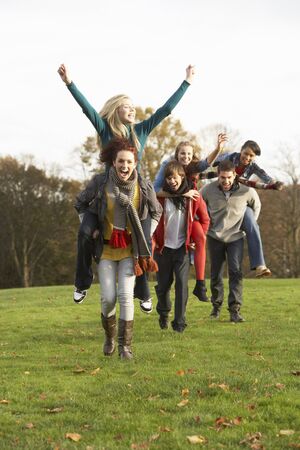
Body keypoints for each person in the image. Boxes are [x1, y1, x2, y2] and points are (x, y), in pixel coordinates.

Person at [58, 63, 195, 311]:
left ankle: (143, 293)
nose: (132, 109)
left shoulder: (141, 129)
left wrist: (186, 82)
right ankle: (81, 283)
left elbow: (165, 110)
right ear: (115, 109)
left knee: (142, 240)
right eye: (127, 106)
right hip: (105, 193)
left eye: (133, 107)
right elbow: (85, 107)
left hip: (135, 193)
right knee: (84, 233)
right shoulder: (104, 127)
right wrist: (70, 83)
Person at [75, 138, 162, 359]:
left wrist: (145, 234)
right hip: (105, 250)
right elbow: (80, 203)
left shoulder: (143, 186)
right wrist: (89, 228)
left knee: (125, 295)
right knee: (108, 297)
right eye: (121, 161)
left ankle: (125, 348)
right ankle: (109, 337)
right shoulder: (100, 182)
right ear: (113, 162)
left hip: (129, 252)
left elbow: (157, 212)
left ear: (135, 163)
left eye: (129, 162)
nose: (125, 166)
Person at [153, 134, 227, 301]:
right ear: (176, 154)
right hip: (170, 209)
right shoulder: (168, 166)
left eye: (188, 154)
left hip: (190, 211)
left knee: (200, 235)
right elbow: (155, 190)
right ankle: (143, 280)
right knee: (152, 240)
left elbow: (206, 163)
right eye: (182, 154)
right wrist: (183, 193)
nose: (185, 157)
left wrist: (218, 148)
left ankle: (200, 284)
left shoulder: (194, 166)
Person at [203, 139, 283, 277]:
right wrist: (215, 158)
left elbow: (265, 177)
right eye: (246, 154)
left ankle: (260, 265)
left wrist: (274, 184)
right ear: (241, 150)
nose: (247, 158)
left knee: (251, 219)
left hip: (239, 199)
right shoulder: (229, 157)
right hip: (222, 192)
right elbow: (213, 162)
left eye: (251, 156)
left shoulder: (253, 167)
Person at [200, 159, 262, 323]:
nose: (226, 181)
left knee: (235, 271)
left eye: (229, 177)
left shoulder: (246, 191)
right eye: (222, 178)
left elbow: (256, 206)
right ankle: (216, 306)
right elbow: (198, 206)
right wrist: (205, 224)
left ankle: (235, 310)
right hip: (215, 237)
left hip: (235, 237)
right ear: (218, 176)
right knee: (216, 273)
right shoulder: (207, 190)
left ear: (234, 175)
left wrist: (247, 225)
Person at [153, 161, 210, 332]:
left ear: (182, 177)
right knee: (163, 286)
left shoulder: (194, 197)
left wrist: (197, 238)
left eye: (175, 177)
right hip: (163, 249)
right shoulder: (160, 197)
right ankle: (163, 312)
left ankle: (179, 323)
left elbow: (205, 220)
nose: (171, 181)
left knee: (181, 285)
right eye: (168, 178)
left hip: (182, 249)